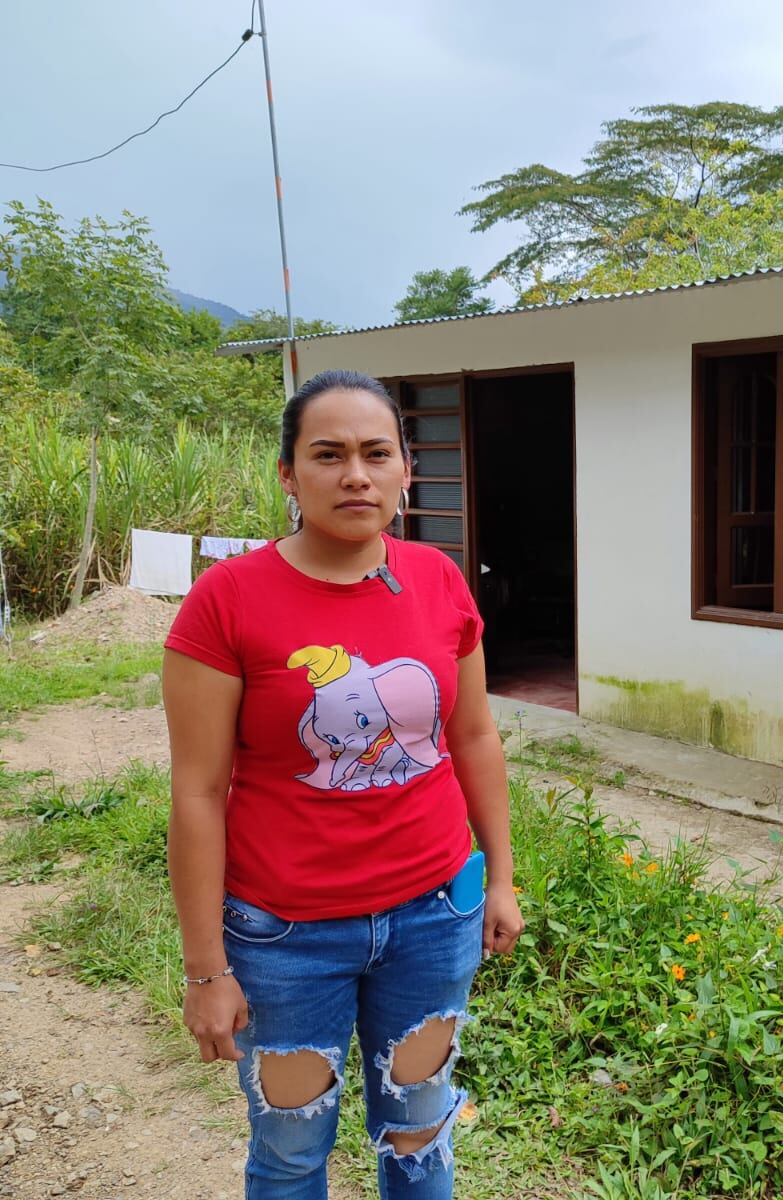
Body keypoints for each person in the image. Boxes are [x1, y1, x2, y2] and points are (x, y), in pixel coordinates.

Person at [162, 369, 524, 1199]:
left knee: (420, 1131)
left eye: (375, 453)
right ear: (288, 474)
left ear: (405, 470)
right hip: (286, 937)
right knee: (291, 1152)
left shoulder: (437, 580)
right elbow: (196, 792)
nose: (355, 474)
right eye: (328, 455)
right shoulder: (227, 601)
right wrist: (204, 968)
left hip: (435, 916)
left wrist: (499, 877)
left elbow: (472, 736)